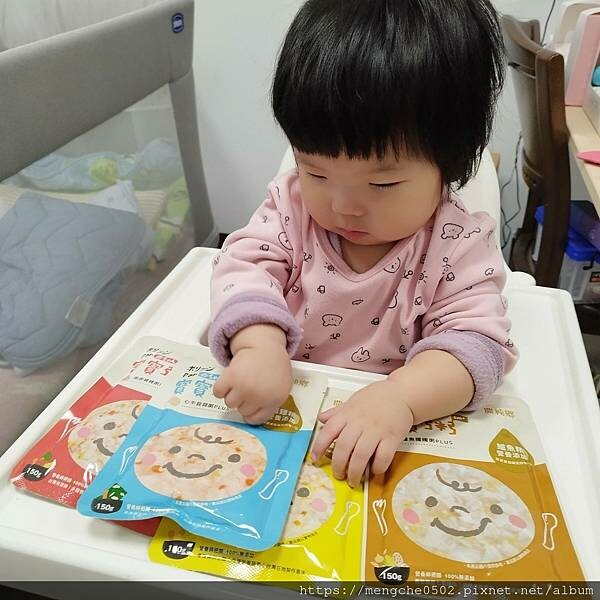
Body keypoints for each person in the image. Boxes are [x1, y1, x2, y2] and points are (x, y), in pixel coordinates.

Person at [208, 0, 518, 488]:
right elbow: (244, 270)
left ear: (450, 166)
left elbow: (476, 348)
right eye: (316, 172)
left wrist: (400, 399)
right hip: (285, 418)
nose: (344, 206)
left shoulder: (457, 244)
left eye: (382, 184)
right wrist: (259, 345)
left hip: (383, 436)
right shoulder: (290, 207)